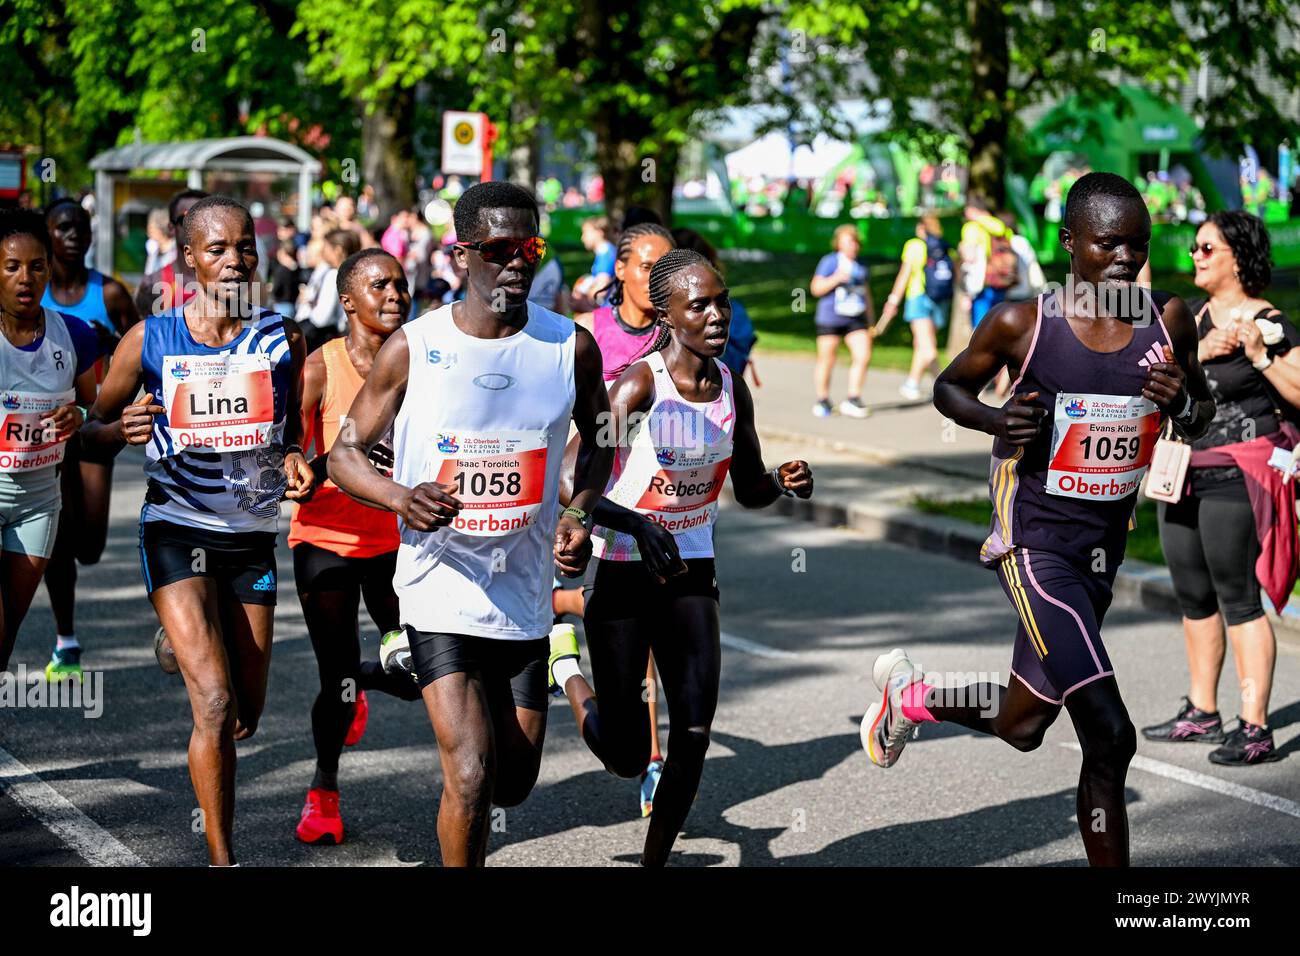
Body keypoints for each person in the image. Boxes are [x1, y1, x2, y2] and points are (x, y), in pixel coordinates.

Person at [864, 172, 1214, 867]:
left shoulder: (1167, 318)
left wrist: (1182, 405)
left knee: (1024, 723)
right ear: (1071, 243)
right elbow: (949, 386)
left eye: (1138, 246)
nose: (1125, 261)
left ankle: (913, 698)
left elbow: (1200, 413)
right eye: (1109, 244)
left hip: (1102, 545)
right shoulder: (1024, 323)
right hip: (1034, 541)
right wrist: (996, 418)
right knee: (1110, 734)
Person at [327, 181, 613, 866]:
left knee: (512, 783)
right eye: (499, 249)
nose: (517, 262)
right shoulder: (414, 347)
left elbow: (602, 438)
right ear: (462, 256)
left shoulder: (567, 347)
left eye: (530, 247)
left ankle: (524, 669)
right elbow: (343, 454)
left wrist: (579, 509)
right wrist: (400, 498)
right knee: (471, 773)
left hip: (522, 589)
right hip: (437, 586)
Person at [548, 248, 813, 865]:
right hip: (622, 569)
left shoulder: (730, 389)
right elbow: (569, 477)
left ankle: (654, 862)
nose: (718, 314)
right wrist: (631, 524)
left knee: (693, 732)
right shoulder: (640, 385)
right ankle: (565, 670)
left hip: (692, 569)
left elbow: (746, 487)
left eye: (722, 301)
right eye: (700, 305)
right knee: (626, 756)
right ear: (667, 315)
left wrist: (782, 479)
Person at [82, 195, 314, 866]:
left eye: (246, 246)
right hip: (177, 528)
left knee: (245, 713)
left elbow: (290, 428)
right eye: (218, 249)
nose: (236, 260)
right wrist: (115, 431)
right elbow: (91, 432)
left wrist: (296, 456)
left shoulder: (281, 336)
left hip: (249, 540)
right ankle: (222, 859)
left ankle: (182, 635)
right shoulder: (150, 339)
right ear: (189, 259)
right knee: (211, 703)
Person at [1145, 211, 1300, 765]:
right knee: (1192, 594)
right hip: (1183, 467)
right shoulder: (1191, 317)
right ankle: (1201, 712)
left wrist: (1259, 355)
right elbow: (1150, 379)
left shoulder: (1269, 319)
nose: (1196, 256)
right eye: (1193, 248)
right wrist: (1198, 354)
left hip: (1239, 472)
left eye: (1207, 248)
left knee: (1238, 597)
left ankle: (1255, 726)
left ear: (1238, 255)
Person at [289, 248, 424, 844]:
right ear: (347, 300)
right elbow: (287, 462)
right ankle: (323, 793)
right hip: (328, 540)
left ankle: (362, 678)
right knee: (334, 685)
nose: (396, 294)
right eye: (380, 286)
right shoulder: (319, 369)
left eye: (401, 284)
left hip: (399, 541)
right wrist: (327, 463)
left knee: (420, 675)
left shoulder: (422, 364)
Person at [39, 198, 140, 681]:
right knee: (58, 536)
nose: (73, 235)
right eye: (63, 227)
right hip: (44, 433)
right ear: (48, 235)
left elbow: (144, 352)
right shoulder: (31, 291)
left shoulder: (113, 293)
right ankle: (66, 639)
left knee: (90, 546)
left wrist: (111, 344)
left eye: (80, 227)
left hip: (94, 425)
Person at [0, 211, 100, 675]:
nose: (26, 278)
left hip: (40, 501)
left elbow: (94, 407)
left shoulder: (74, 334)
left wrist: (76, 416)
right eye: (12, 266)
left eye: (37, 266)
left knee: (6, 637)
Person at [577, 223, 675, 383]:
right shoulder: (589, 329)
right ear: (620, 269)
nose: (657, 278)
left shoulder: (680, 335)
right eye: (646, 267)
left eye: (665, 268)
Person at [876, 215, 952, 401]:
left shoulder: (914, 245)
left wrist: (893, 300)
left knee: (927, 346)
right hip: (940, 300)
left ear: (921, 228)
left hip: (918, 297)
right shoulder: (944, 246)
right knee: (922, 343)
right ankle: (912, 383)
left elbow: (905, 274)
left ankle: (946, 388)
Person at [673, 228, 758, 382]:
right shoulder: (643, 380)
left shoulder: (736, 391)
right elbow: (621, 406)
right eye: (697, 307)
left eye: (722, 302)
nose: (717, 316)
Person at [809, 224, 873, 418]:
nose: (852, 246)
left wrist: (871, 320)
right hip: (831, 317)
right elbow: (815, 288)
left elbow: (866, 293)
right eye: (847, 242)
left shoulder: (861, 265)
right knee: (827, 359)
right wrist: (836, 278)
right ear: (838, 244)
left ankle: (853, 398)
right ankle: (823, 399)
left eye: (854, 242)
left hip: (856, 317)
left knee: (863, 354)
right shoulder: (830, 262)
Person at [134, 189, 209, 318]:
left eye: (206, 219)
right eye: (187, 219)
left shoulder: (236, 280)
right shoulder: (152, 284)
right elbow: (142, 335)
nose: (197, 226)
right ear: (171, 228)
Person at [959, 195, 1018, 330]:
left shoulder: (971, 227)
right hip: (1000, 279)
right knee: (997, 322)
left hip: (981, 282)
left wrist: (966, 293)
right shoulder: (998, 226)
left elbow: (970, 258)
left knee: (980, 326)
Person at [300, 228, 361, 354]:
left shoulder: (334, 275)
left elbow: (322, 318)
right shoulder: (355, 273)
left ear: (338, 250)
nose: (323, 252)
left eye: (326, 247)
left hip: (330, 337)